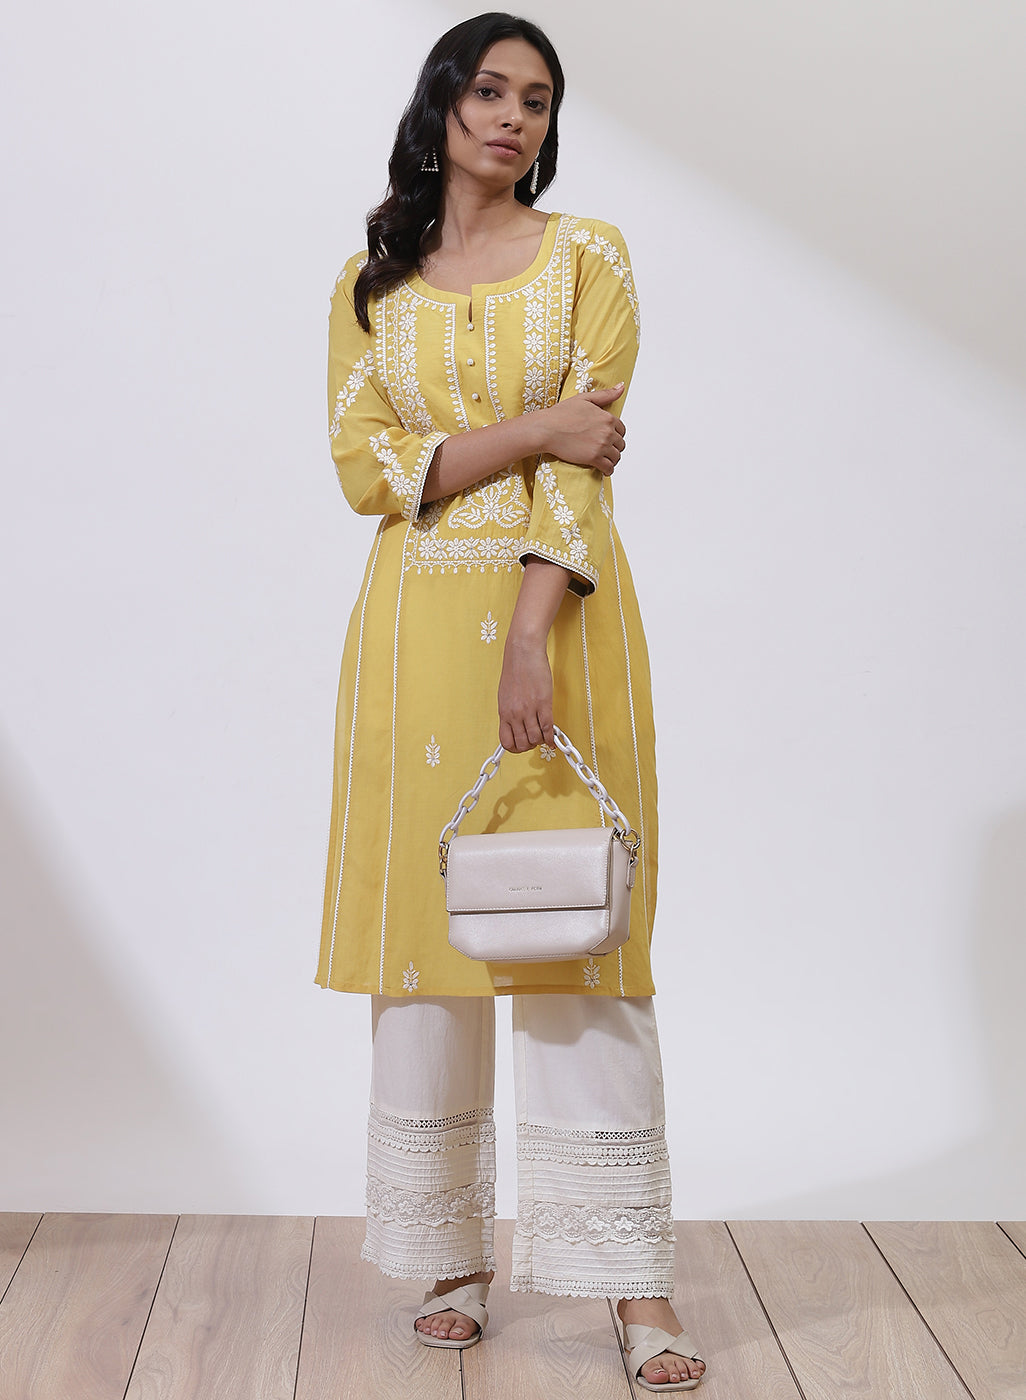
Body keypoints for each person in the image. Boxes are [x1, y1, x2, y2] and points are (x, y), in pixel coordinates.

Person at [317, 12, 706, 1392]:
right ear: (442, 106)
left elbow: (584, 465)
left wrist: (530, 636)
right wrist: (534, 425)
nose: (511, 118)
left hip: (560, 620)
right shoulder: (372, 284)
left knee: (575, 936)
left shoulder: (589, 255)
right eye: (488, 91)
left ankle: (633, 1285)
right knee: (430, 950)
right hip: (410, 632)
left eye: (535, 100)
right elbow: (367, 471)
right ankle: (450, 1259)